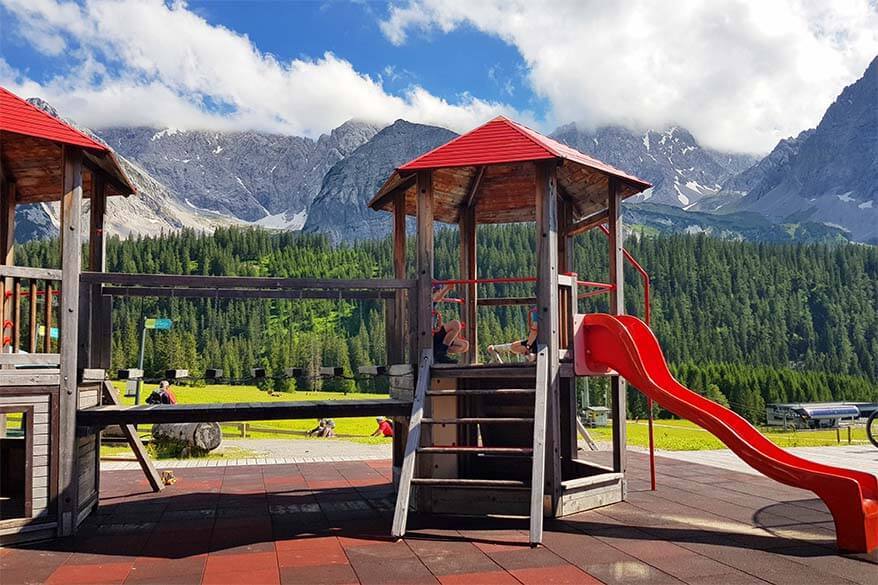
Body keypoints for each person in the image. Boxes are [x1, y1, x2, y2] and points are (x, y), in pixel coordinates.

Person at [432, 283, 469, 364]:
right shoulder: (427, 302)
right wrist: (447, 288)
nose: (439, 293)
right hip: (429, 337)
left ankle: (440, 352)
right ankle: (441, 355)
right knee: (455, 324)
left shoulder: (433, 306)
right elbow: (436, 299)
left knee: (465, 345)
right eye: (438, 291)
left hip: (435, 336)